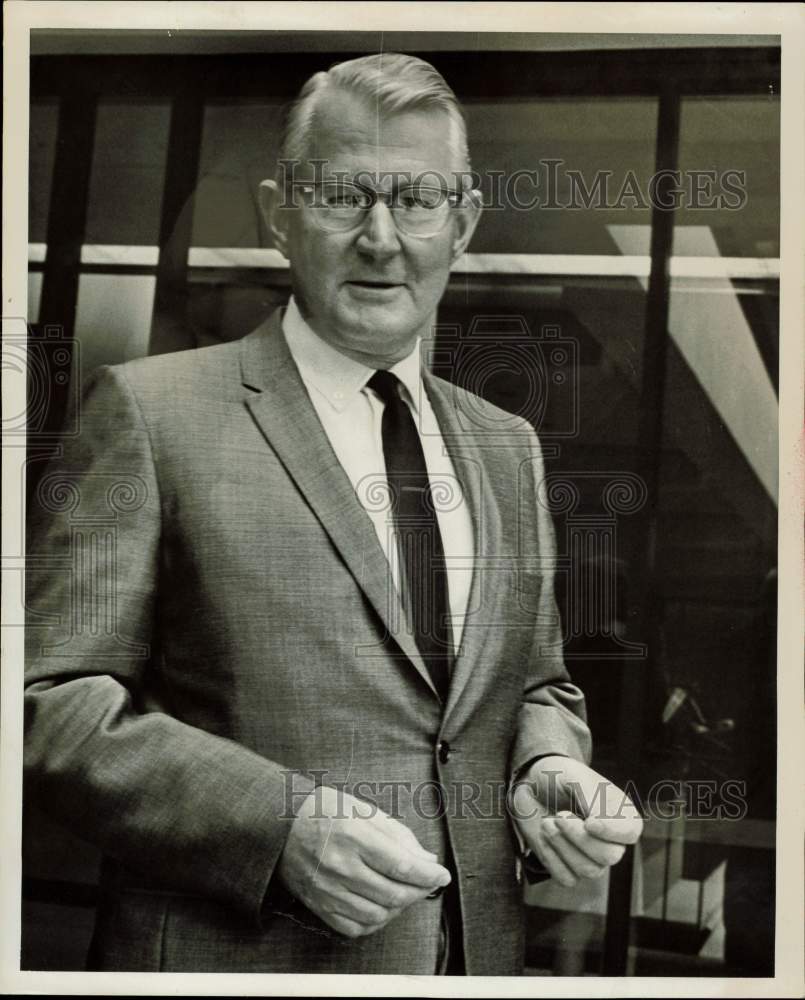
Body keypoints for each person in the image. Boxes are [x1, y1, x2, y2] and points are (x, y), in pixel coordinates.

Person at [24, 53, 642, 976]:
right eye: (342, 195)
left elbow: (534, 685)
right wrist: (277, 828)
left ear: (462, 223)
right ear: (280, 214)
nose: (381, 237)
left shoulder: (505, 445)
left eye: (416, 199)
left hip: (470, 966)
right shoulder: (153, 415)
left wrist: (541, 767)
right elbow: (50, 704)